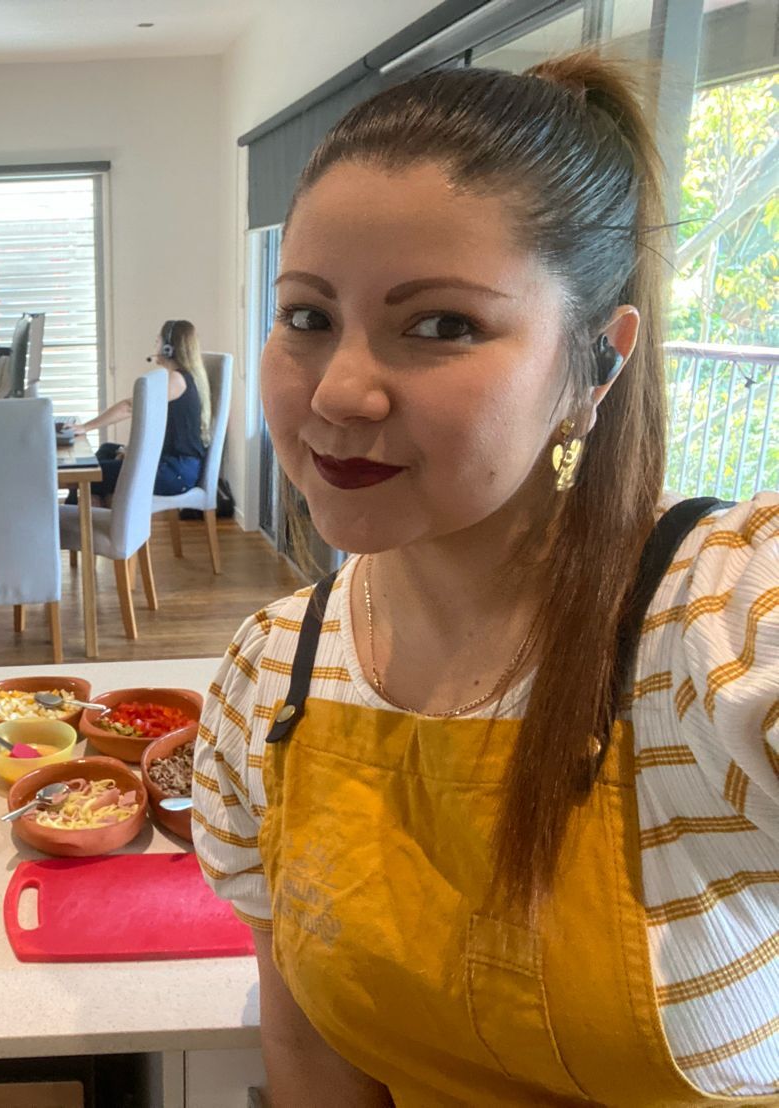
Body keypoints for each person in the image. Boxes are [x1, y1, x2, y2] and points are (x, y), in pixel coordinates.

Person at [194, 53, 778, 1105]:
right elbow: (314, 1056)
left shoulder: (722, 622)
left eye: (441, 325)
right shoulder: (269, 676)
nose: (338, 389)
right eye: (307, 315)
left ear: (594, 362)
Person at [66, 320, 212, 504]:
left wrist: (85, 427)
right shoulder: (181, 378)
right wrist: (131, 451)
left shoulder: (176, 380)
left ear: (168, 348)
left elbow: (130, 407)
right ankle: (96, 515)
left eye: (157, 341)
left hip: (175, 472)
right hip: (172, 465)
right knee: (106, 450)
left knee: (85, 476)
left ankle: (76, 523)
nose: (155, 346)